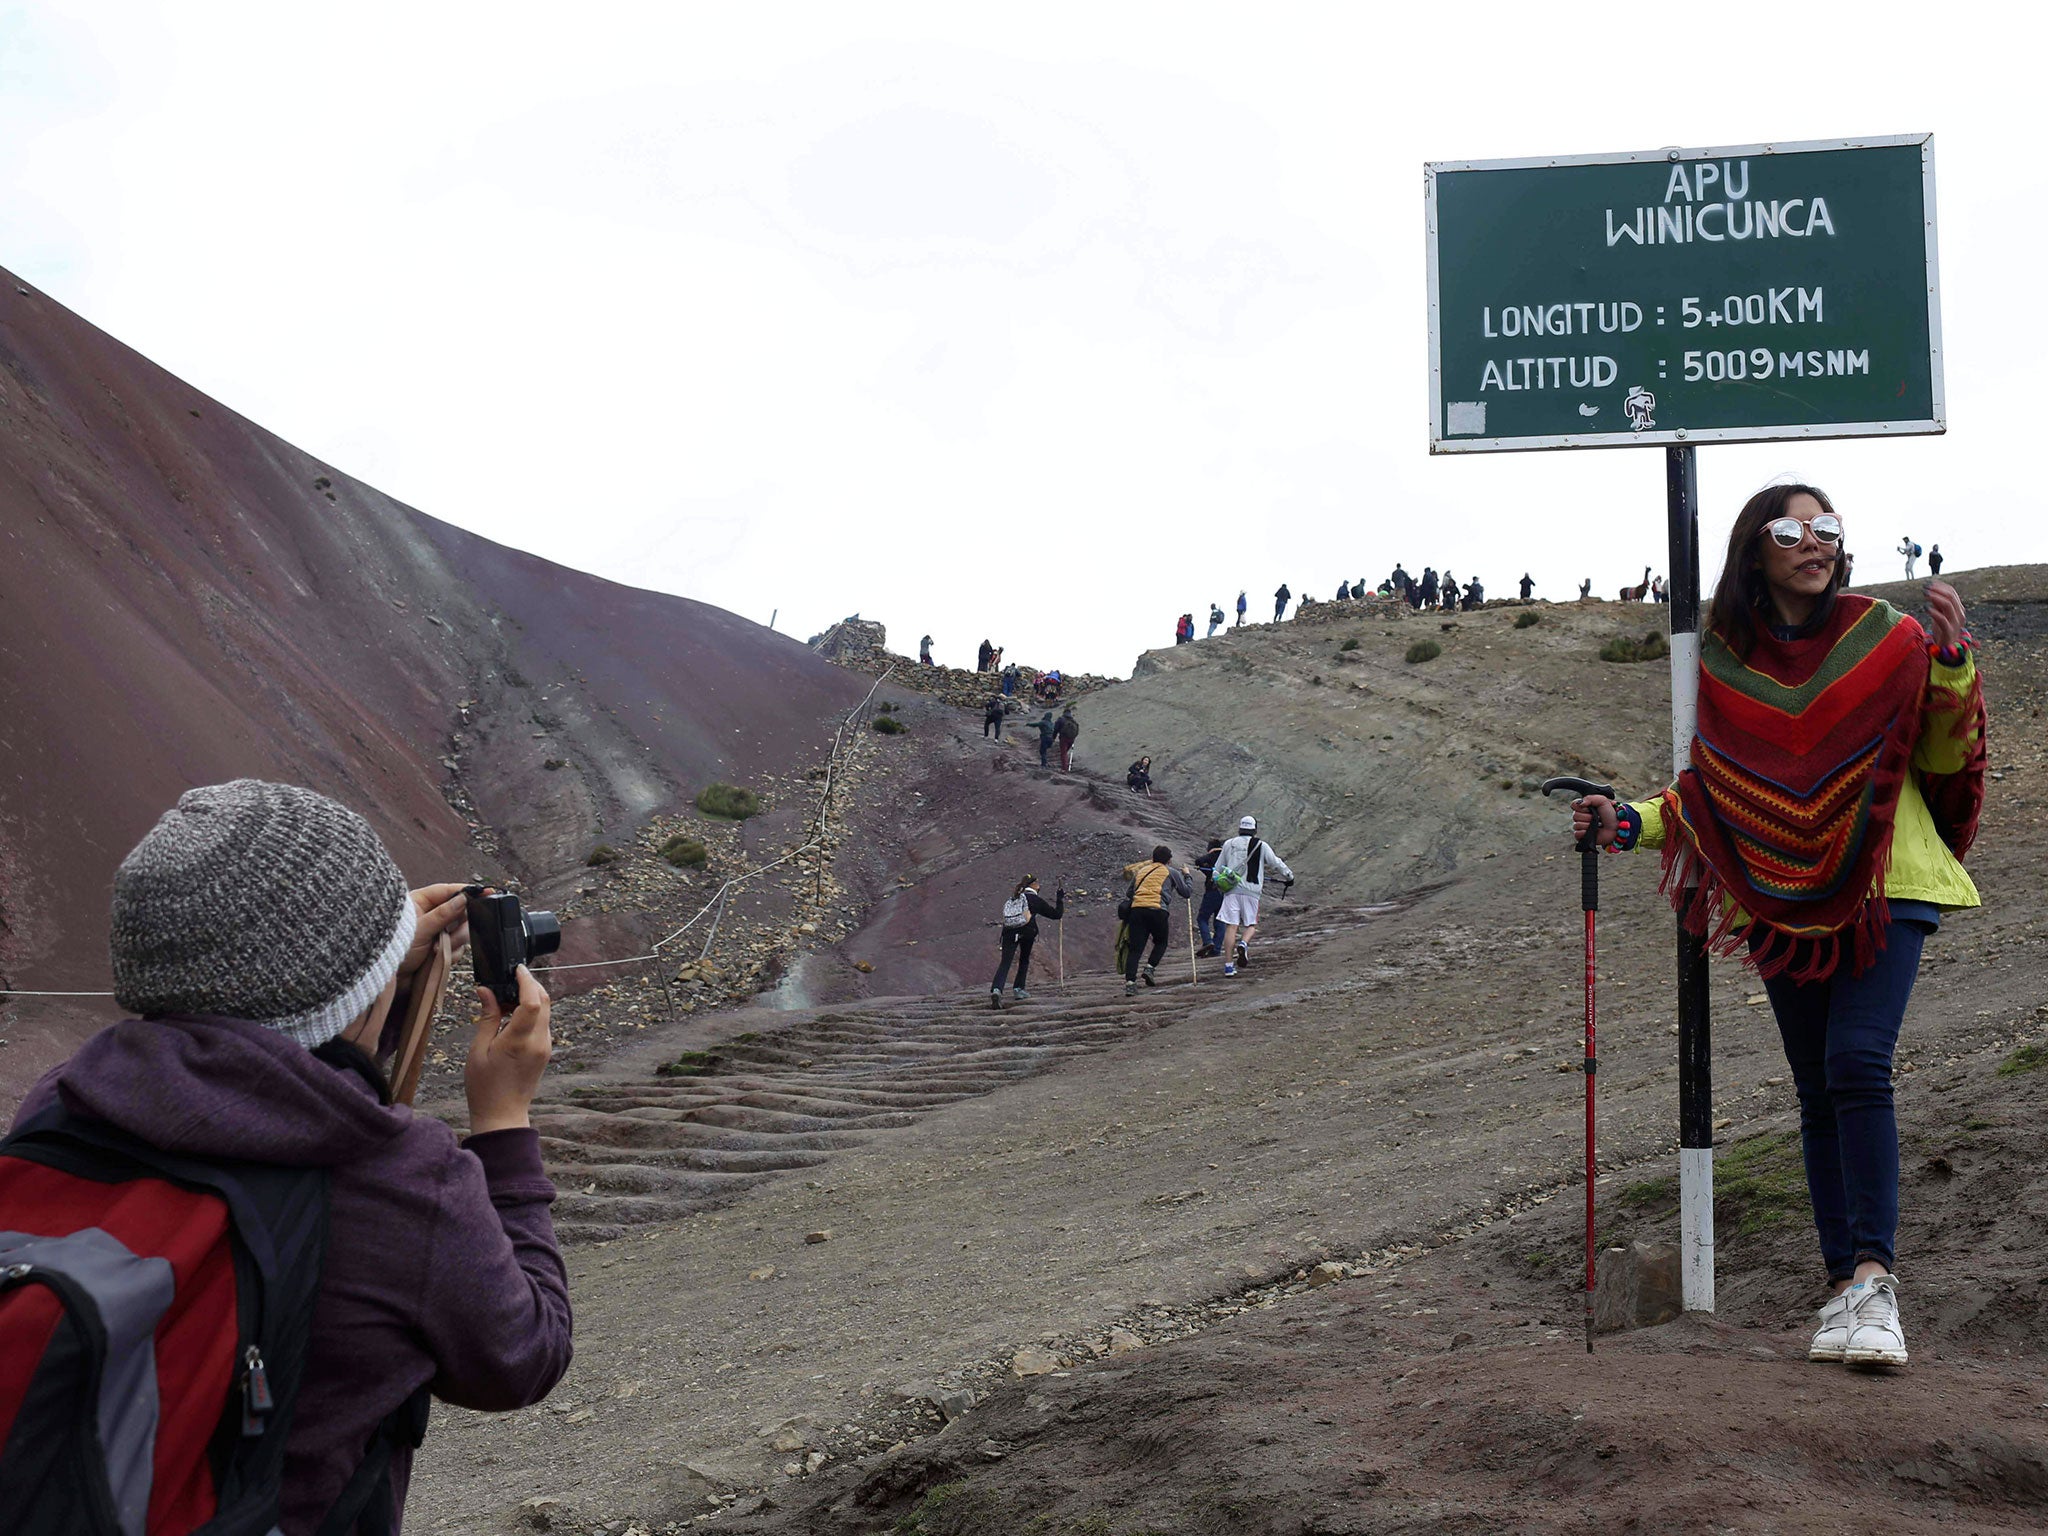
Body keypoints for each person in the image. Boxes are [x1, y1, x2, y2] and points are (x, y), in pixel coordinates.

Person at [3, 781, 573, 1531]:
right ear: (361, 989)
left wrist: (363, 986)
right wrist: (503, 1120)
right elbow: (523, 1354)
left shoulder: (69, 1099)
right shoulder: (397, 1175)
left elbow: (256, 1077)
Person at [1571, 483, 1983, 1370]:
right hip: (1781, 902)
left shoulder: (1889, 636)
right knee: (1814, 1091)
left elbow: (1948, 758)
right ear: (1754, 550)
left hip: (1887, 881)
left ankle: (1877, 1282)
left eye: (1827, 527)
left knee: (1856, 1064)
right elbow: (1712, 791)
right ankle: (1843, 1290)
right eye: (1792, 530)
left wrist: (1951, 663)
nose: (1815, 542)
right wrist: (1629, 822)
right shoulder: (1728, 664)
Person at [1215, 814, 1295, 976]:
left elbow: (1217, 869)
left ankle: (1229, 966)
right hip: (1252, 892)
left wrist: (1217, 880)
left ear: (1240, 829)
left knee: (1231, 926)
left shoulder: (1228, 844)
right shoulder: (1261, 845)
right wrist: (1289, 876)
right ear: (1254, 830)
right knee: (1251, 925)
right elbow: (1275, 862)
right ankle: (1243, 944)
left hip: (1231, 891)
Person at [1118, 844, 1194, 995]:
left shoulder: (1141, 871)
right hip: (1158, 911)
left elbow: (1129, 893)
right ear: (1169, 860)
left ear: (1153, 858)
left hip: (1137, 911)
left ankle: (1130, 983)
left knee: (1135, 949)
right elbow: (1186, 892)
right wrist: (1187, 875)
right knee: (1161, 942)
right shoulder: (1171, 872)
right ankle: (1150, 968)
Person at [991, 875, 1064, 1008]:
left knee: (1005, 963)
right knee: (1024, 960)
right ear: (1034, 885)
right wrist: (1060, 898)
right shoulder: (1035, 900)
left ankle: (997, 989)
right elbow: (1056, 914)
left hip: (1009, 933)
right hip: (1026, 933)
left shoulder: (1014, 898)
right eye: (1038, 883)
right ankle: (1018, 989)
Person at [1194, 835, 1227, 956]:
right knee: (1220, 921)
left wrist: (1206, 869)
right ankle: (1216, 949)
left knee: (1202, 918)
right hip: (1225, 892)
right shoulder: (1227, 857)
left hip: (1212, 890)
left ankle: (1207, 941)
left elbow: (1199, 861)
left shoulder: (1213, 855)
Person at [1054, 705, 1080, 771]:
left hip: (1063, 738)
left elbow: (1056, 729)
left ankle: (1064, 768)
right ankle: (1066, 764)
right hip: (1072, 739)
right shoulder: (1073, 721)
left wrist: (1053, 737)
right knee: (1066, 752)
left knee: (1063, 753)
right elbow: (1077, 730)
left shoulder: (1061, 719)